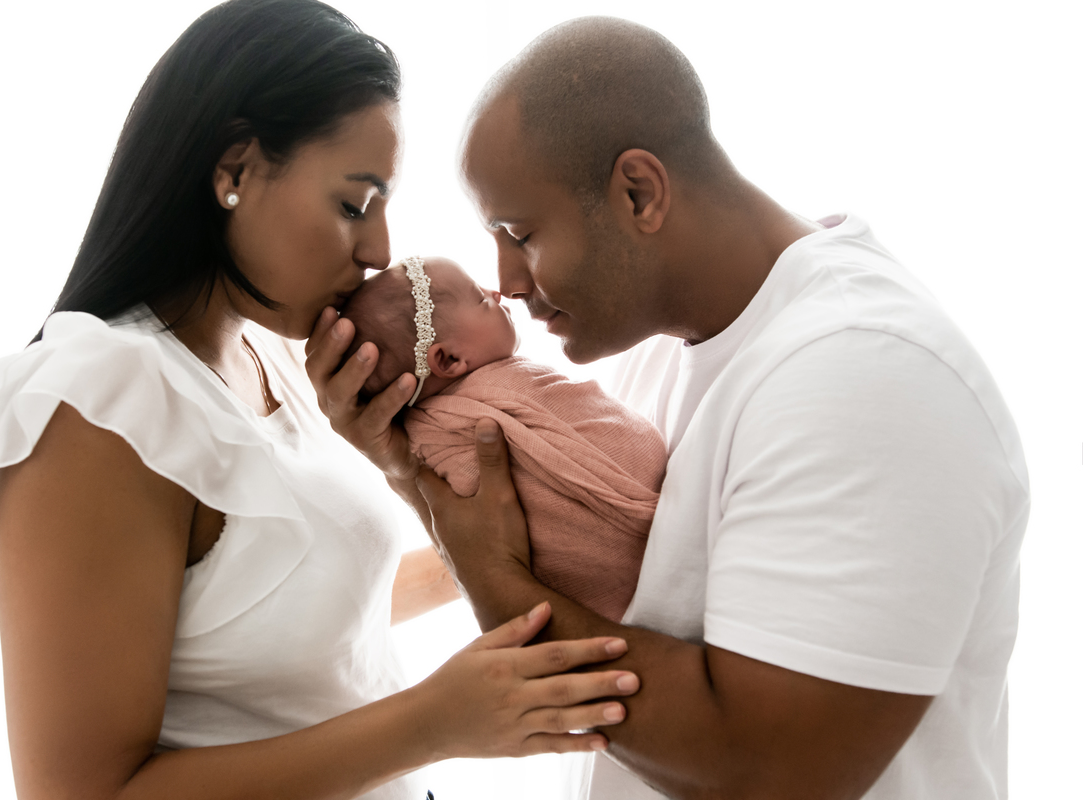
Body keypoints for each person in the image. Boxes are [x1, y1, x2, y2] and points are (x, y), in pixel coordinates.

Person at [0, 3, 644, 799]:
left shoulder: (270, 353)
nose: (380, 250)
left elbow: (285, 632)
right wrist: (432, 723)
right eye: (353, 205)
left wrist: (436, 500)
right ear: (233, 172)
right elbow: (81, 792)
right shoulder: (97, 403)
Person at [307, 15, 1029, 800]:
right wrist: (404, 463)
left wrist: (492, 579)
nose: (507, 279)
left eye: (520, 233)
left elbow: (765, 769)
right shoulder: (657, 349)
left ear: (638, 192)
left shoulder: (868, 376)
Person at [340, 255, 667, 622]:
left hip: (598, 608)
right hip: (647, 539)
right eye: (481, 299)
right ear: (447, 360)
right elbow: (617, 434)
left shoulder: (424, 441)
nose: (496, 293)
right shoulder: (501, 390)